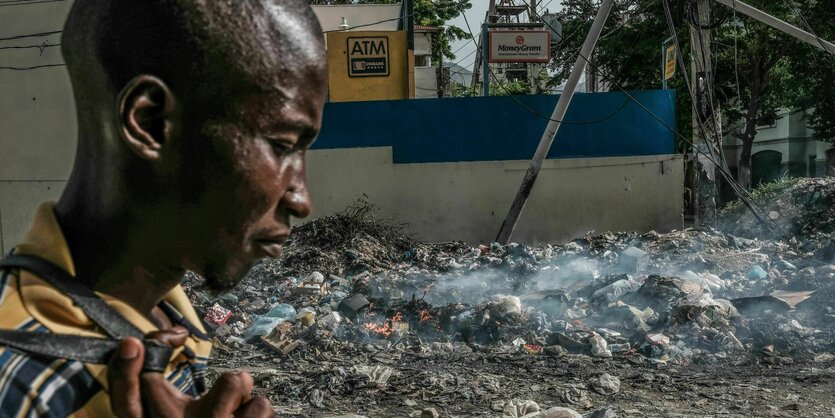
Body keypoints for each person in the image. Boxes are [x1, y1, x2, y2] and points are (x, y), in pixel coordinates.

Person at [0, 0, 327, 416]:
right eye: (282, 145)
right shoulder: (18, 385)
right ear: (151, 122)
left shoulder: (167, 317)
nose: (302, 200)